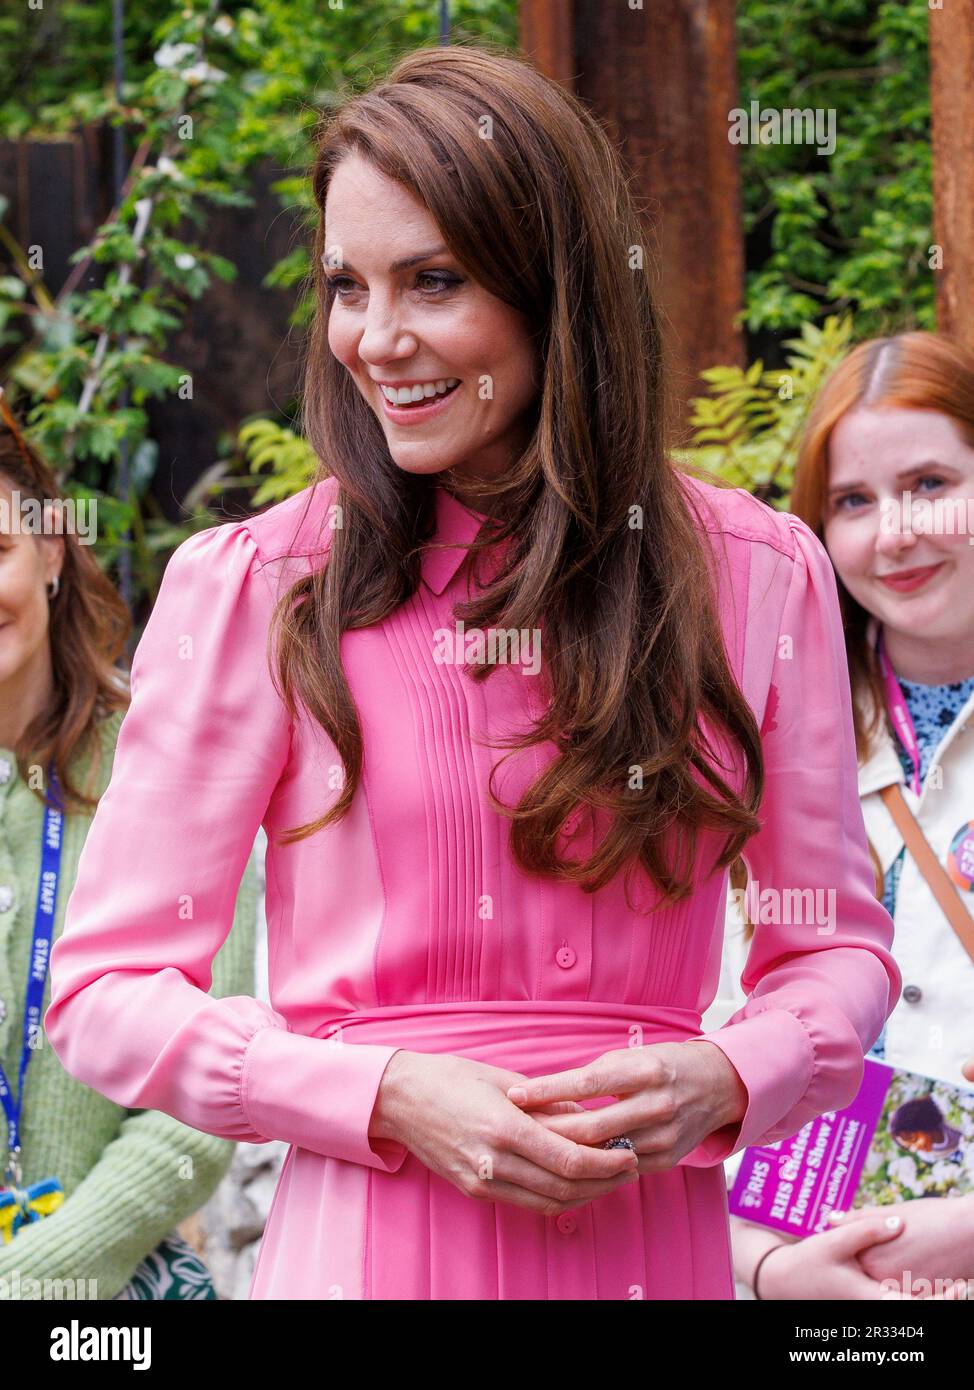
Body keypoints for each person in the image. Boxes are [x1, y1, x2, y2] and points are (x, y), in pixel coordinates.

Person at [44, 43, 899, 1301]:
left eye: (432, 281)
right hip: (369, 1252)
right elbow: (107, 991)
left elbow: (831, 945)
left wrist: (729, 1073)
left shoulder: (760, 575)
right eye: (347, 286)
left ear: (555, 290)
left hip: (651, 1252)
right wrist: (379, 1093)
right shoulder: (254, 585)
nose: (375, 339)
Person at [719, 332, 974, 1300]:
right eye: (852, 502)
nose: (892, 534)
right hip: (804, 1273)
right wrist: (773, 1272)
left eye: (927, 483)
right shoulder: (753, 733)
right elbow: (679, 1044)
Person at [0, 398, 258, 1299]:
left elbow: (201, 1091)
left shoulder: (159, 766)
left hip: (105, 1299)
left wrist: (40, 1273)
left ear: (50, 551)